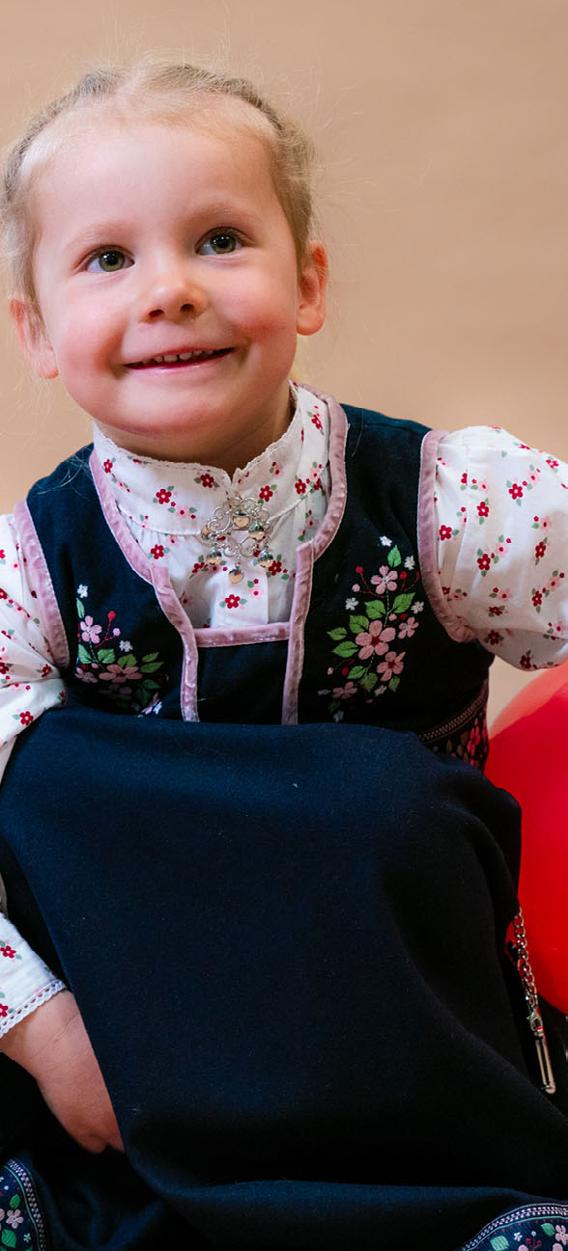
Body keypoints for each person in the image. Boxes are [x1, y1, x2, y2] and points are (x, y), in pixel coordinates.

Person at [0, 57, 566, 1251]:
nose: (169, 291)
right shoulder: (28, 569)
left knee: (374, 795)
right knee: (42, 779)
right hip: (131, 1053)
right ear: (35, 330)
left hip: (394, 1033)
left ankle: (473, 1216)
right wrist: (46, 1033)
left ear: (306, 285)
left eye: (218, 241)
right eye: (107, 259)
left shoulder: (445, 504)